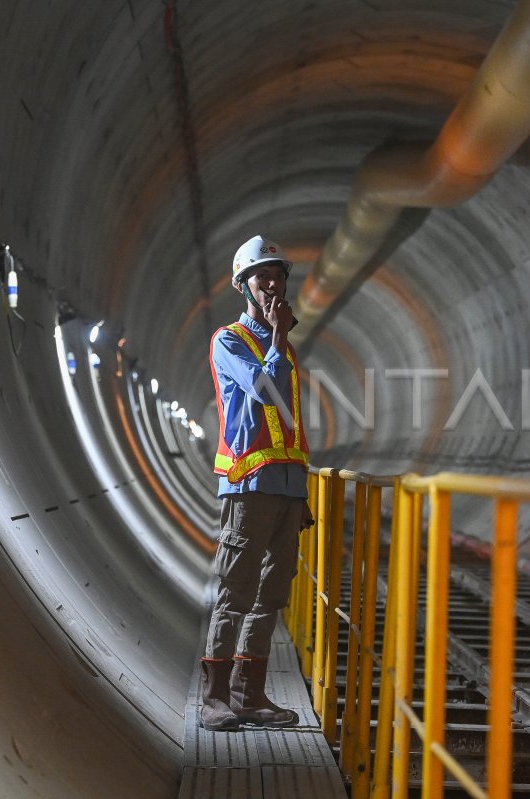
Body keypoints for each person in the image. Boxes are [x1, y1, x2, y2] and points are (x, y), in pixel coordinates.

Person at [199, 234, 312, 731]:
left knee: (273, 593)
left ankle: (249, 694)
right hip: (249, 486)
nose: (272, 284)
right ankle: (214, 698)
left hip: (286, 487)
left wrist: (301, 490)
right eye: (261, 276)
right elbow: (265, 392)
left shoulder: (279, 344)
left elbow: (289, 426)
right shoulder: (230, 340)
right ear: (242, 286)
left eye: (278, 275)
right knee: (237, 590)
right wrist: (278, 339)